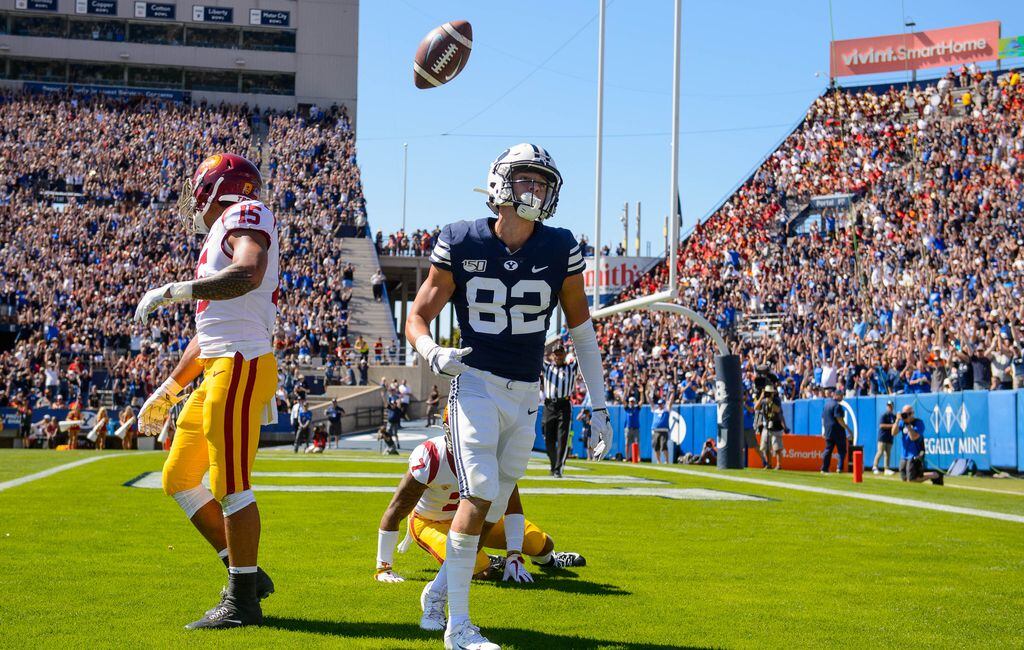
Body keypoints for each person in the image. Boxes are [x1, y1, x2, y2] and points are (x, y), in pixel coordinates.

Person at [405, 143, 612, 649]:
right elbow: (417, 316)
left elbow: (581, 331)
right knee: (477, 490)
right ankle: (459, 629)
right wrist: (433, 354)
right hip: (475, 382)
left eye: (542, 183)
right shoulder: (461, 239)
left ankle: (436, 595)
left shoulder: (558, 245)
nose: (535, 190)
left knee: (494, 503)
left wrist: (601, 404)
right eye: (526, 180)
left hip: (526, 391)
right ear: (499, 184)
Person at [134, 153, 280, 629]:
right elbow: (208, 331)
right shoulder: (223, 232)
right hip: (220, 361)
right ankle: (249, 575)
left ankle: (241, 602)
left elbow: (249, 272)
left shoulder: (244, 214)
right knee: (178, 476)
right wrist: (170, 388)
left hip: (241, 362)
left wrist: (176, 290)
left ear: (218, 187)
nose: (194, 200)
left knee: (229, 482)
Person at [374, 423, 587, 618]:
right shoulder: (431, 456)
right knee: (480, 570)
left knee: (539, 542)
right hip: (431, 521)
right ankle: (491, 560)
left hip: (476, 519)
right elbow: (396, 508)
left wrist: (514, 554)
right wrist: (384, 567)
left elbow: (512, 504)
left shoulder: (492, 454)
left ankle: (549, 560)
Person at [541, 344, 578, 477]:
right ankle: (553, 464)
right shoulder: (547, 367)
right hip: (549, 405)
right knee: (548, 438)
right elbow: (536, 355)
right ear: (552, 355)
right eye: (555, 354)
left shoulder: (571, 367)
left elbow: (581, 357)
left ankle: (558, 469)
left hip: (564, 405)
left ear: (564, 355)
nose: (558, 356)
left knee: (562, 438)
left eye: (560, 353)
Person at [895, 405, 943, 485]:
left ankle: (935, 475)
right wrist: (897, 420)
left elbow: (913, 437)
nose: (907, 415)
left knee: (912, 480)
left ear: (912, 413)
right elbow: (893, 433)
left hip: (915, 454)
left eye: (909, 413)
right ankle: (933, 474)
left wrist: (909, 426)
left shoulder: (918, 423)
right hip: (904, 454)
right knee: (904, 479)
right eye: (905, 413)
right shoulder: (902, 423)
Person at [756, 385, 787, 470]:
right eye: (767, 393)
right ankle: (768, 464)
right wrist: (761, 397)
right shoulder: (763, 401)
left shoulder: (776, 400)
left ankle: (778, 465)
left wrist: (770, 402)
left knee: (777, 447)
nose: (768, 394)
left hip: (776, 425)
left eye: (769, 393)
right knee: (764, 446)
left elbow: (777, 410)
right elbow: (755, 408)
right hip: (766, 426)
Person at [820, 387, 850, 473]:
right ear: (836, 395)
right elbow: (839, 419)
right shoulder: (837, 405)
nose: (842, 397)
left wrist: (823, 430)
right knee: (842, 450)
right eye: (841, 395)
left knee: (828, 449)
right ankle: (839, 468)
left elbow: (823, 418)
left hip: (828, 431)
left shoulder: (826, 405)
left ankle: (824, 468)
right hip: (837, 431)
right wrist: (847, 428)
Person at [872, 400, 897, 475]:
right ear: (887, 407)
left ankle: (886, 468)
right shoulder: (884, 415)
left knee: (888, 453)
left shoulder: (894, 416)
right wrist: (892, 426)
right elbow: (881, 425)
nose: (890, 407)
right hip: (882, 437)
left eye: (891, 406)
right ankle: (875, 466)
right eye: (889, 406)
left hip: (890, 437)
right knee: (880, 452)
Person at [651, 397, 673, 465]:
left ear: (663, 404)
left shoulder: (666, 410)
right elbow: (650, 402)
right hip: (656, 431)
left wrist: (672, 394)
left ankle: (667, 460)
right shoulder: (655, 410)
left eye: (661, 404)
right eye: (659, 404)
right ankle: (658, 460)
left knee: (664, 445)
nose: (660, 405)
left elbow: (670, 402)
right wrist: (647, 394)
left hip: (664, 430)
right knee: (656, 446)